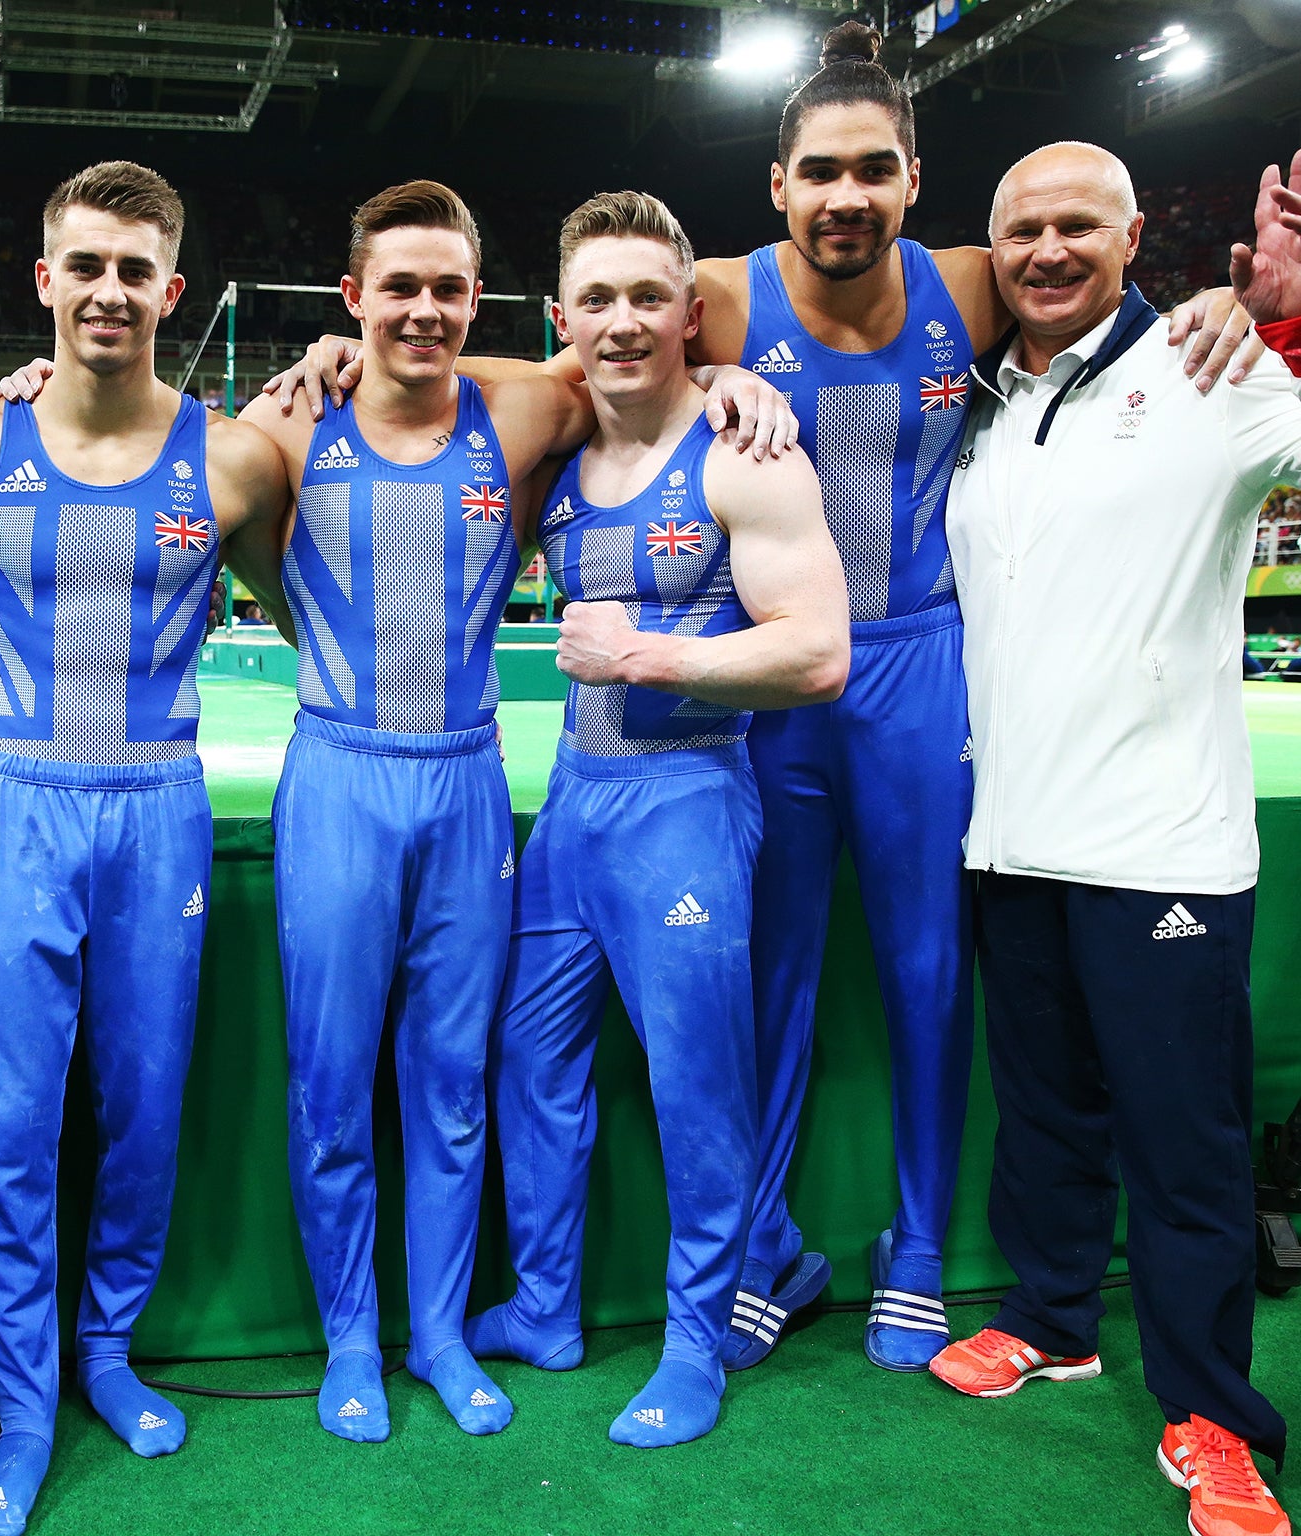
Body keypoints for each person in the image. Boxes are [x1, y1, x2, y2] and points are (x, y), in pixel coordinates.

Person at [265, 20, 1260, 1375]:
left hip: (910, 666)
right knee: (768, 976)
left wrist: (1213, 305)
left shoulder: (970, 280)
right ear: (778, 184)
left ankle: (915, 1248)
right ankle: (759, 1244)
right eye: (818, 173)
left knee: (922, 968)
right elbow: (532, 373)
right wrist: (342, 353)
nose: (845, 196)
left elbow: (1091, 286)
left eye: (873, 171)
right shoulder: (719, 296)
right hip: (764, 707)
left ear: (915, 178)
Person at [234, 181, 796, 1444]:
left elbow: (626, 347)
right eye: (397, 289)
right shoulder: (281, 427)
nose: (423, 311)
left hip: (472, 781)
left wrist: (730, 382)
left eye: (447, 289)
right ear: (350, 299)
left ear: (480, 302)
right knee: (334, 1088)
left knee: (454, 1084)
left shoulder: (526, 406)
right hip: (336, 776)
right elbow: (182, 494)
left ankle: (438, 1329)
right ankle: (347, 1342)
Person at [931, 143, 1301, 1536]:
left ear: (1133, 233)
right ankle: (1050, 1318)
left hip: (1164, 848)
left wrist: (1290, 314)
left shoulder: (1220, 372)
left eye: (1076, 224)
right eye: (1020, 227)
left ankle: (1213, 1414)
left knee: (1185, 1146)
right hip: (1014, 837)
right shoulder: (989, 403)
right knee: (1046, 1116)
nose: (1046, 249)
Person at [0, 161, 290, 1536]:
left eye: (137, 270)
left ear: (171, 290)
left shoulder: (239, 457)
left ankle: (107, 1350)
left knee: (141, 1107)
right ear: (45, 280)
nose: (111, 291)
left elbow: (323, 609)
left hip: (159, 813)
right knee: (11, 1123)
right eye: (87, 265)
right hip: (18, 804)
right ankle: (22, 1405)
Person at [474, 190, 848, 1449]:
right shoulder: (561, 457)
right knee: (532, 1064)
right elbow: (428, 367)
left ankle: (700, 1334)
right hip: (572, 808)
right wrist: (330, 349)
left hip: (688, 800)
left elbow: (816, 652)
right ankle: (541, 1303)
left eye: (648, 298)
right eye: (597, 299)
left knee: (696, 1087)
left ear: (692, 313)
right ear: (562, 319)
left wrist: (643, 654)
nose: (623, 323)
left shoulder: (748, 449)